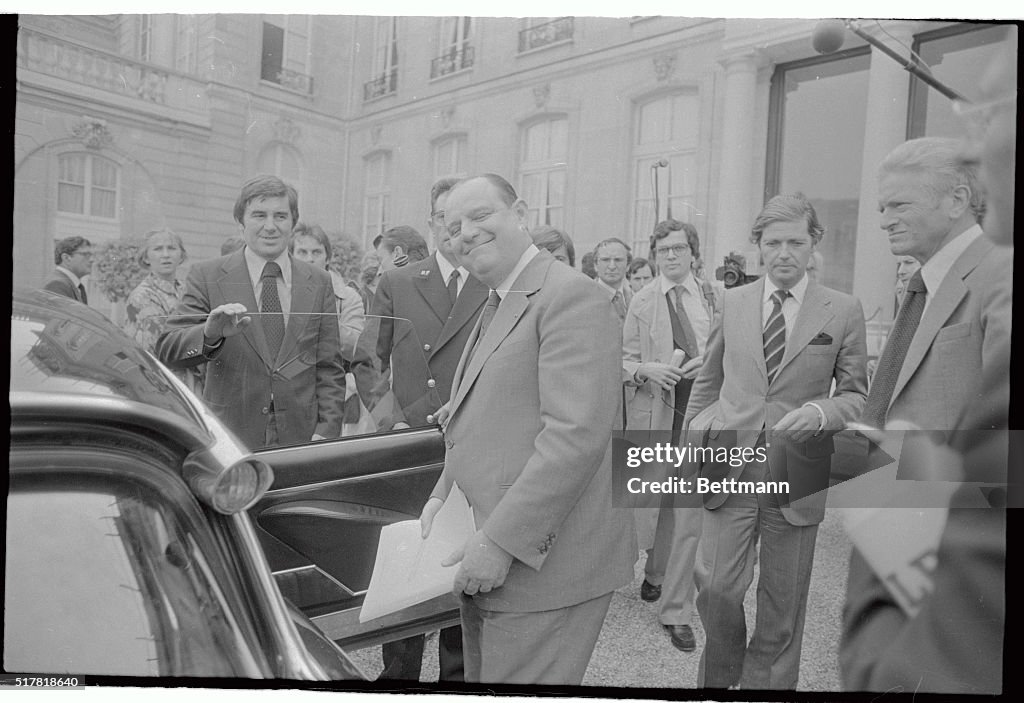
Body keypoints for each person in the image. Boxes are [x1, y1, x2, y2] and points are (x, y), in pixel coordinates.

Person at [840, 32, 1015, 695]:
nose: (883, 219)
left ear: (956, 200)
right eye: (880, 205)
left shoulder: (999, 278)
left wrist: (905, 471)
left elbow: (1005, 453)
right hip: (905, 543)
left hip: (955, 564)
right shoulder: (922, 282)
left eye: (899, 204)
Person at [419, 174, 635, 684]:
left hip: (540, 568)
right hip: (498, 559)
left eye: (479, 216)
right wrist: (441, 494)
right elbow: (475, 418)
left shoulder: (569, 296)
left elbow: (574, 437)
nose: (465, 233)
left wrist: (499, 543)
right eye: (453, 227)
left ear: (520, 213)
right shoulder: (500, 299)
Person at [684, 193, 868, 689]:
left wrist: (818, 411)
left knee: (783, 604)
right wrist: (697, 431)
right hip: (730, 464)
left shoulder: (844, 310)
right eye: (772, 243)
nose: (783, 252)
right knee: (717, 587)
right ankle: (721, 682)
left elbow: (855, 395)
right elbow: (708, 378)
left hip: (798, 466)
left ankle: (768, 688)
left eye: (795, 242)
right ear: (759, 248)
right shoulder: (734, 302)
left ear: (813, 246)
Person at [367, 178, 486, 682]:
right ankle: (399, 676)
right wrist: (389, 413)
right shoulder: (397, 281)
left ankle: (456, 679)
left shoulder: (492, 281)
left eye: (467, 220)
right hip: (411, 437)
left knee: (459, 553)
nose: (455, 229)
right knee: (407, 553)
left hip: (475, 437)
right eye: (445, 218)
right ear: (433, 223)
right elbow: (367, 357)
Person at [156, 175, 346, 449]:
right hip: (230, 436)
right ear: (240, 222)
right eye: (259, 215)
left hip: (301, 439)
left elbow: (329, 367)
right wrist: (209, 335)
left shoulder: (318, 281)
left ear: (293, 222)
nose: (270, 226)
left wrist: (326, 433)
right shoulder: (207, 275)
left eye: (280, 216)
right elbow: (167, 349)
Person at [622, 220, 716, 653]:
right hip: (655, 416)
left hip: (703, 419)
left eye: (679, 249)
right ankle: (654, 574)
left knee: (689, 514)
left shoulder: (717, 299)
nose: (672, 257)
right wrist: (644, 369)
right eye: (663, 251)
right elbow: (621, 361)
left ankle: (676, 611)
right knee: (650, 507)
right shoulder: (640, 301)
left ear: (694, 253)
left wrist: (712, 367)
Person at [123, 229, 201, 393]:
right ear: (146, 257)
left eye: (172, 248)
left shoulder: (188, 290)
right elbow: (149, 355)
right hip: (164, 386)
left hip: (193, 383)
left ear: (181, 255)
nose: (166, 255)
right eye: (158, 249)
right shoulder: (141, 297)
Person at [290, 223, 364, 360]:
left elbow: (356, 346)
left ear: (327, 258)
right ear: (291, 257)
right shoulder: (280, 291)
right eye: (302, 252)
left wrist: (320, 319)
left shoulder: (348, 298)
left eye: (316, 252)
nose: (309, 259)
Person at [593, 237, 633, 322]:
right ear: (596, 265)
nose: (612, 266)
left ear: (628, 266)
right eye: (605, 260)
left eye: (618, 260)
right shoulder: (585, 299)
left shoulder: (635, 299)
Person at [44, 236, 93, 304]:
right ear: (66, 258)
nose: (91, 260)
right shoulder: (57, 285)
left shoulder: (74, 286)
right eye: (85, 254)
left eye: (91, 255)